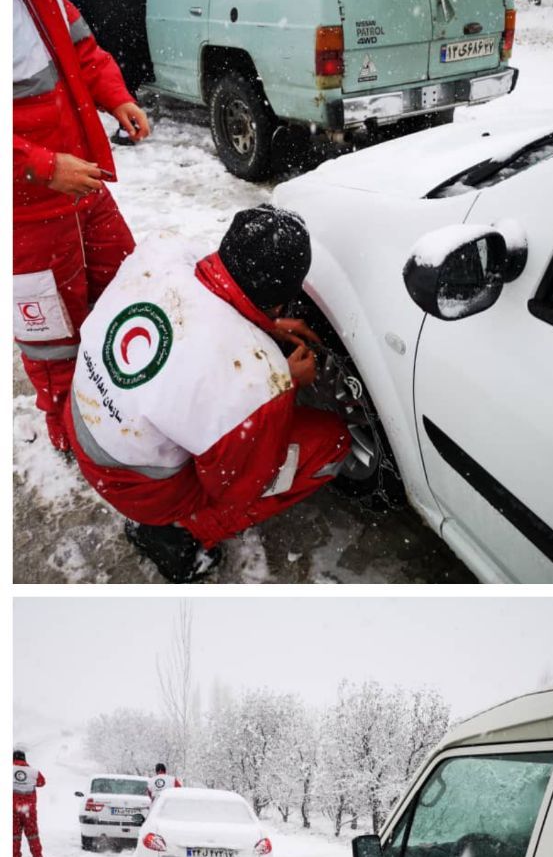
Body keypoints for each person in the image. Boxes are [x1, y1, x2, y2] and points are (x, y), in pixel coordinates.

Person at [66, 206, 352, 582]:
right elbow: (236, 485)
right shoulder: (256, 385)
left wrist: (262, 325)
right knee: (331, 442)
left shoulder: (164, 251)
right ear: (282, 299)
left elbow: (207, 310)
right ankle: (181, 530)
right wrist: (282, 381)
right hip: (137, 486)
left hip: (82, 420)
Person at [13, 0, 149, 452]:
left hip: (83, 182)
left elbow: (79, 48)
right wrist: (43, 167)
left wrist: (115, 97)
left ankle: (130, 399)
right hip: (24, 216)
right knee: (54, 342)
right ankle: (79, 437)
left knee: (129, 290)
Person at [13, 749, 46, 857]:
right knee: (33, 835)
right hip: (29, 811)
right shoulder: (33, 772)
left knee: (13, 836)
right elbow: (42, 783)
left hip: (12, 810)